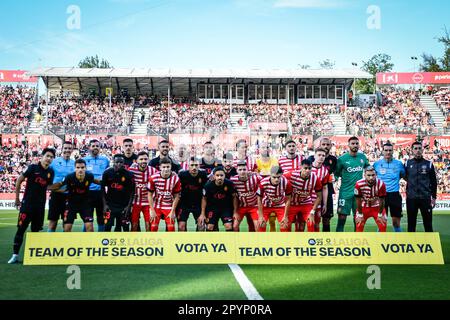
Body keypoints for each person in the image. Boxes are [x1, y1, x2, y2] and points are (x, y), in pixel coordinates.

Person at [8, 148, 55, 264]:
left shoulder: (51, 172)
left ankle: (32, 256)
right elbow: (19, 180)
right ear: (42, 156)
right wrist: (17, 198)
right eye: (47, 156)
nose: (49, 158)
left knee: (35, 231)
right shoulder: (32, 168)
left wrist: (62, 186)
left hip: (40, 207)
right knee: (21, 229)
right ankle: (15, 255)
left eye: (51, 157)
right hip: (27, 205)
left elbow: (48, 187)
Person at [48, 159, 101, 232]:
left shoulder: (89, 176)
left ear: (85, 168)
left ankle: (89, 243)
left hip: (85, 205)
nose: (80, 170)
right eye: (78, 167)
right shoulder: (69, 177)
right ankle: (67, 243)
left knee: (90, 228)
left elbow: (97, 181)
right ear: (75, 168)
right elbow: (61, 186)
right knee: (67, 228)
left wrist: (107, 182)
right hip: (71, 205)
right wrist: (49, 187)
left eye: (82, 167)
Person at [334, 137, 370, 232]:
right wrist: (335, 180)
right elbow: (336, 174)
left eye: (356, 143)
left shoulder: (362, 157)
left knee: (357, 218)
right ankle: (338, 239)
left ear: (359, 145)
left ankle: (357, 240)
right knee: (341, 218)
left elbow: (368, 169)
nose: (355, 145)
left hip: (358, 193)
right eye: (353, 143)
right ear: (348, 145)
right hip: (345, 193)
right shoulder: (342, 159)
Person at [404, 141, 437, 232]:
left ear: (422, 150)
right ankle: (411, 244)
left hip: (425, 198)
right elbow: (404, 176)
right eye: (415, 148)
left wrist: (433, 197)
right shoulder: (407, 163)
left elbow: (434, 182)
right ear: (412, 150)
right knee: (411, 224)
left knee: (428, 224)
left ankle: (430, 244)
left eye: (419, 148)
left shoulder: (429, 164)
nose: (418, 150)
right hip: (411, 198)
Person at [373, 143, 406, 232]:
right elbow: (371, 178)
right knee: (381, 222)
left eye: (390, 150)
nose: (388, 152)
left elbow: (404, 176)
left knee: (396, 222)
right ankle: (378, 243)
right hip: (381, 196)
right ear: (382, 151)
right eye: (386, 150)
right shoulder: (376, 164)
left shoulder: (399, 164)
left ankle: (399, 242)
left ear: (393, 151)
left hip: (394, 195)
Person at [308, 137, 337, 232]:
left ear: (331, 146)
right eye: (323, 144)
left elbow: (336, 174)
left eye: (328, 144)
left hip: (327, 190)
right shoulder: (311, 159)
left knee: (326, 218)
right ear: (319, 145)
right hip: (311, 193)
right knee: (309, 218)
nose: (325, 146)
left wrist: (334, 178)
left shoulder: (333, 159)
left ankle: (325, 240)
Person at [285, 159, 322, 232]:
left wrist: (312, 211)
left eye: (309, 168)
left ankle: (310, 242)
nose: (307, 170)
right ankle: (287, 242)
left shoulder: (315, 178)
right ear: (300, 167)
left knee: (311, 223)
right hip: (292, 203)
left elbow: (319, 196)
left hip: (306, 203)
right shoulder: (291, 175)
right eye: (305, 168)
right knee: (286, 224)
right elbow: (280, 180)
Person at [102, 155, 135, 232]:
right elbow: (102, 189)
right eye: (117, 162)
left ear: (124, 163)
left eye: (121, 162)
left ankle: (123, 243)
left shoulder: (129, 175)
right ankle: (107, 243)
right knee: (107, 226)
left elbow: (132, 192)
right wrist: (105, 205)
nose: (119, 164)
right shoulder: (107, 173)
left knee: (125, 227)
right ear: (113, 162)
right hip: (110, 205)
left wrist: (128, 206)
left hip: (124, 206)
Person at [198, 167, 237, 231]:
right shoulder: (208, 186)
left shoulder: (229, 184)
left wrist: (235, 212)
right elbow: (204, 199)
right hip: (212, 208)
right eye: (217, 175)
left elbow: (234, 197)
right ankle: (211, 241)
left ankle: (230, 241)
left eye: (221, 175)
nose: (219, 177)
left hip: (225, 208)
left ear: (224, 175)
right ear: (214, 176)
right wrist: (202, 214)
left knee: (228, 226)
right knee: (210, 227)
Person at [148, 157, 181, 232]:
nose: (166, 169)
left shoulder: (176, 179)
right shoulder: (153, 178)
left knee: (171, 227)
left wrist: (173, 211)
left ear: (171, 167)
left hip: (168, 205)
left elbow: (177, 196)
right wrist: (152, 210)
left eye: (168, 167)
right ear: (160, 167)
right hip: (156, 205)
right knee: (153, 227)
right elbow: (149, 194)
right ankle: (154, 243)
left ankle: (170, 243)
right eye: (164, 167)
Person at [47, 141, 74, 232]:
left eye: (69, 148)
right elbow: (47, 177)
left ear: (72, 150)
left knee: (67, 226)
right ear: (62, 149)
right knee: (52, 224)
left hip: (69, 197)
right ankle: (49, 244)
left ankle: (64, 245)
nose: (67, 150)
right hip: (56, 196)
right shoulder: (54, 162)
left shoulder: (75, 164)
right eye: (65, 148)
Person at [83, 139, 110, 232]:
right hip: (87, 193)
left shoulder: (105, 160)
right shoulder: (84, 160)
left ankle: (100, 239)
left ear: (100, 148)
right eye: (93, 146)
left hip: (100, 193)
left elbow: (107, 174)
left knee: (101, 218)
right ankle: (85, 240)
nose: (95, 148)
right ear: (89, 147)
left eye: (97, 146)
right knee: (87, 219)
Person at [128, 151, 158, 232]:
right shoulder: (131, 170)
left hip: (148, 203)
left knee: (149, 225)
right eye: (141, 159)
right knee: (134, 225)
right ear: (137, 161)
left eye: (145, 159)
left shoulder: (154, 171)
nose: (143, 161)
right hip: (135, 202)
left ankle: (149, 242)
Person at [257, 166, 292, 232]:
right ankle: (261, 241)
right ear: (270, 175)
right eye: (274, 177)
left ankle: (284, 242)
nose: (276, 179)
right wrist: (261, 216)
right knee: (261, 224)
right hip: (266, 205)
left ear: (281, 175)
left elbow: (288, 200)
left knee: (284, 225)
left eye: (278, 177)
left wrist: (285, 216)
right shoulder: (263, 183)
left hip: (280, 205)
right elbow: (259, 199)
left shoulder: (287, 183)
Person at [177, 157, 208, 231]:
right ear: (188, 166)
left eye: (196, 165)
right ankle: (183, 242)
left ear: (199, 166)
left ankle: (198, 242)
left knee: (202, 225)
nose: (194, 167)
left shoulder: (203, 174)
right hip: (184, 203)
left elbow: (205, 193)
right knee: (181, 226)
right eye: (192, 165)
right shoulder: (182, 175)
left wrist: (203, 213)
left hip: (198, 204)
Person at [354, 166, 387, 232]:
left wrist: (380, 214)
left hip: (377, 207)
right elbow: (358, 200)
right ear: (364, 175)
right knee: (359, 225)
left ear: (376, 175)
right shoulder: (358, 184)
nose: (371, 177)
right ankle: (360, 241)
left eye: (373, 175)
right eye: (368, 175)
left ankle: (382, 241)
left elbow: (382, 200)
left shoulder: (381, 184)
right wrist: (360, 215)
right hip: (363, 208)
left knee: (383, 225)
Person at [231, 160, 261, 231]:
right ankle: (237, 242)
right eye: (240, 170)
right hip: (241, 207)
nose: (242, 171)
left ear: (247, 170)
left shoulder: (255, 178)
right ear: (237, 171)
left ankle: (257, 242)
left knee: (258, 226)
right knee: (235, 226)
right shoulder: (233, 180)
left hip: (254, 206)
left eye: (244, 169)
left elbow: (265, 182)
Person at [309, 148, 330, 232]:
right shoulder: (307, 167)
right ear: (314, 156)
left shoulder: (325, 171)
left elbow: (325, 188)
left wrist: (324, 204)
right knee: (301, 223)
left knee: (316, 223)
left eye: (323, 156)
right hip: (304, 201)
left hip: (317, 201)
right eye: (319, 155)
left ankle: (314, 243)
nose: (321, 157)